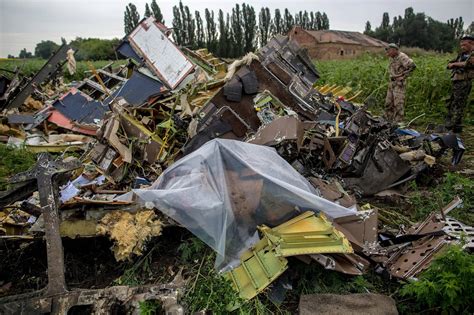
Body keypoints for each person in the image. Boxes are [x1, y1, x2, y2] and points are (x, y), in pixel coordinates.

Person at [445, 34, 474, 133]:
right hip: (456, 81)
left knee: (459, 104)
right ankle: (451, 124)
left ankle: (456, 127)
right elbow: (450, 63)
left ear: (471, 43)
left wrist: (454, 64)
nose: (462, 47)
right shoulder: (461, 55)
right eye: (461, 45)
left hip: (464, 82)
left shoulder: (472, 54)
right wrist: (452, 64)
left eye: (464, 45)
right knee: (451, 102)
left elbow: (467, 64)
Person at [384, 43, 416, 123]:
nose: (387, 53)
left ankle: (398, 123)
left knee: (398, 105)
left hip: (399, 84)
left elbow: (412, 66)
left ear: (394, 50)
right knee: (388, 103)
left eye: (388, 51)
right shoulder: (392, 58)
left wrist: (402, 76)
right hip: (392, 83)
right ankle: (389, 121)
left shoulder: (402, 57)